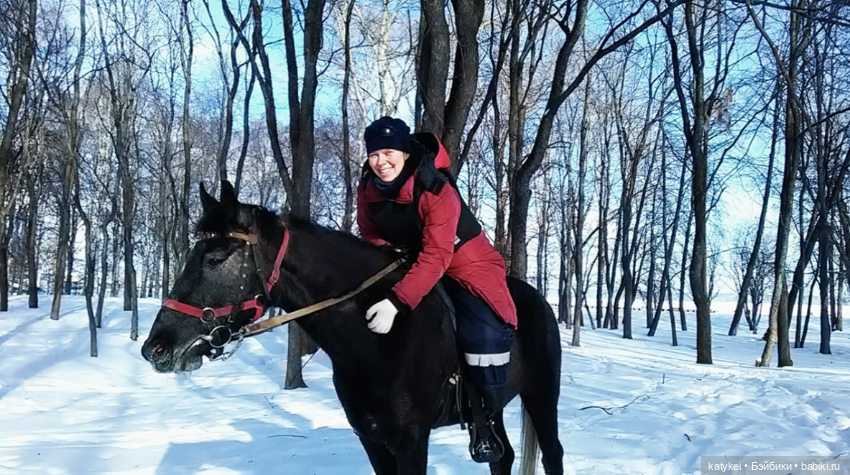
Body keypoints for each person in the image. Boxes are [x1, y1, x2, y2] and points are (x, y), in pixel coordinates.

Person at [356, 116, 517, 463]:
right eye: (374, 155)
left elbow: (438, 253)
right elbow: (369, 235)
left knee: (483, 334)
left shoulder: (434, 187)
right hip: (405, 261)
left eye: (389, 152)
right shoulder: (367, 187)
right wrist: (387, 259)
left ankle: (484, 415)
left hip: (462, 262)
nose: (381, 161)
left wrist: (397, 300)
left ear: (403, 152)